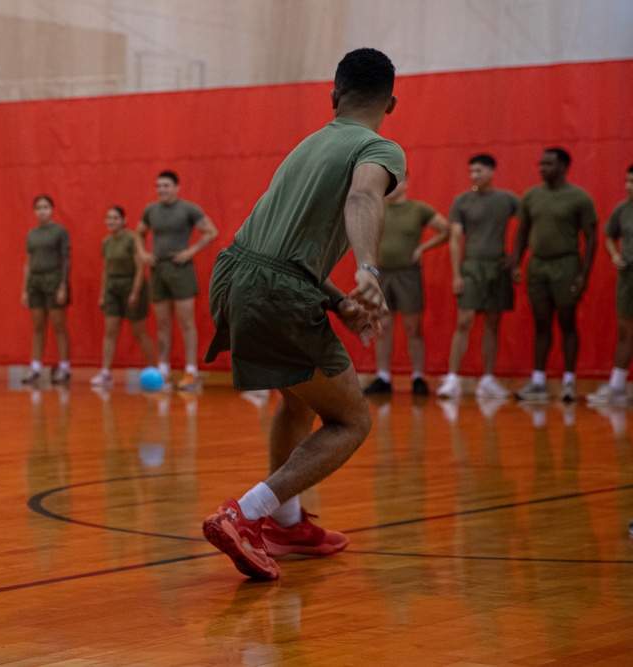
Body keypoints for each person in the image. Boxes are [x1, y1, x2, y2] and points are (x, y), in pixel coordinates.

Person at [201, 47, 404, 579]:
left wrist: (338, 302)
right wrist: (367, 270)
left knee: (298, 403)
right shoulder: (378, 146)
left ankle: (287, 524)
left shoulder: (307, 144)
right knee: (350, 419)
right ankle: (245, 515)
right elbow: (364, 197)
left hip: (233, 275)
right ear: (391, 102)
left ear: (334, 95)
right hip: (278, 289)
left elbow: (282, 247)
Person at [511, 148, 598, 402]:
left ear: (563, 167)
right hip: (538, 266)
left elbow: (591, 238)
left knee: (567, 323)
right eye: (541, 163)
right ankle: (538, 382)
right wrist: (516, 262)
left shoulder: (579, 198)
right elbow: (522, 232)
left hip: (566, 265)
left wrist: (583, 274)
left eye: (549, 164)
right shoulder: (531, 196)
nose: (542, 168)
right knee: (541, 324)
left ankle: (569, 382)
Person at [435, 154, 519, 399]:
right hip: (472, 267)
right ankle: (452, 379)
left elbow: (529, 223)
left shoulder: (507, 199)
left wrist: (515, 258)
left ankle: (488, 380)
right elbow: (454, 239)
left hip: (497, 268)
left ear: (492, 172)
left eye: (479, 171)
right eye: (471, 171)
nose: (474, 176)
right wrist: (456, 274)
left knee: (493, 323)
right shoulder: (462, 201)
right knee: (464, 320)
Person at [362, 169, 450, 396]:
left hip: (408, 275)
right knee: (382, 327)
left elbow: (446, 230)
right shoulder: (376, 208)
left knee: (413, 327)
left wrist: (423, 248)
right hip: (381, 274)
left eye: (397, 181)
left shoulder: (418, 209)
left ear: (407, 182)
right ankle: (383, 377)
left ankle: (418, 377)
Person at [136, 171, 218, 390]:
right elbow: (138, 234)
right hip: (158, 270)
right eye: (158, 185)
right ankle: (163, 369)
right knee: (162, 323)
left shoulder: (188, 209)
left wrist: (191, 251)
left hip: (181, 270)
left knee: (186, 322)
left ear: (176, 187)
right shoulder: (151, 210)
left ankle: (191, 370)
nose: (162, 189)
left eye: (166, 185)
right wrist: (143, 254)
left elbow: (211, 232)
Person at [90, 206, 157, 386]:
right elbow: (106, 269)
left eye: (115, 218)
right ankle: (105, 373)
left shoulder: (132, 239)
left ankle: (154, 370)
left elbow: (140, 268)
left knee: (139, 331)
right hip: (113, 286)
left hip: (131, 285)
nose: (111, 222)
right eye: (109, 218)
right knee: (110, 330)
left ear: (124, 221)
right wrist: (103, 294)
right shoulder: (106, 242)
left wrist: (135, 292)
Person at [587, 165, 633, 405]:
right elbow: (608, 237)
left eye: (632, 182)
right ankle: (617, 386)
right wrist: (615, 255)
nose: (629, 186)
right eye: (627, 181)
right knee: (626, 331)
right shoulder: (622, 210)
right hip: (628, 277)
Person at [21, 195, 72, 385]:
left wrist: (63, 285)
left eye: (46, 207)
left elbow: (66, 259)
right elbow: (28, 262)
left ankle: (64, 368)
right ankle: (35, 368)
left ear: (52, 209)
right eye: (39, 208)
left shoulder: (60, 232)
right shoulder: (32, 234)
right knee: (38, 327)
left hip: (54, 279)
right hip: (35, 281)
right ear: (34, 211)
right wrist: (25, 289)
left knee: (59, 326)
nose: (42, 211)